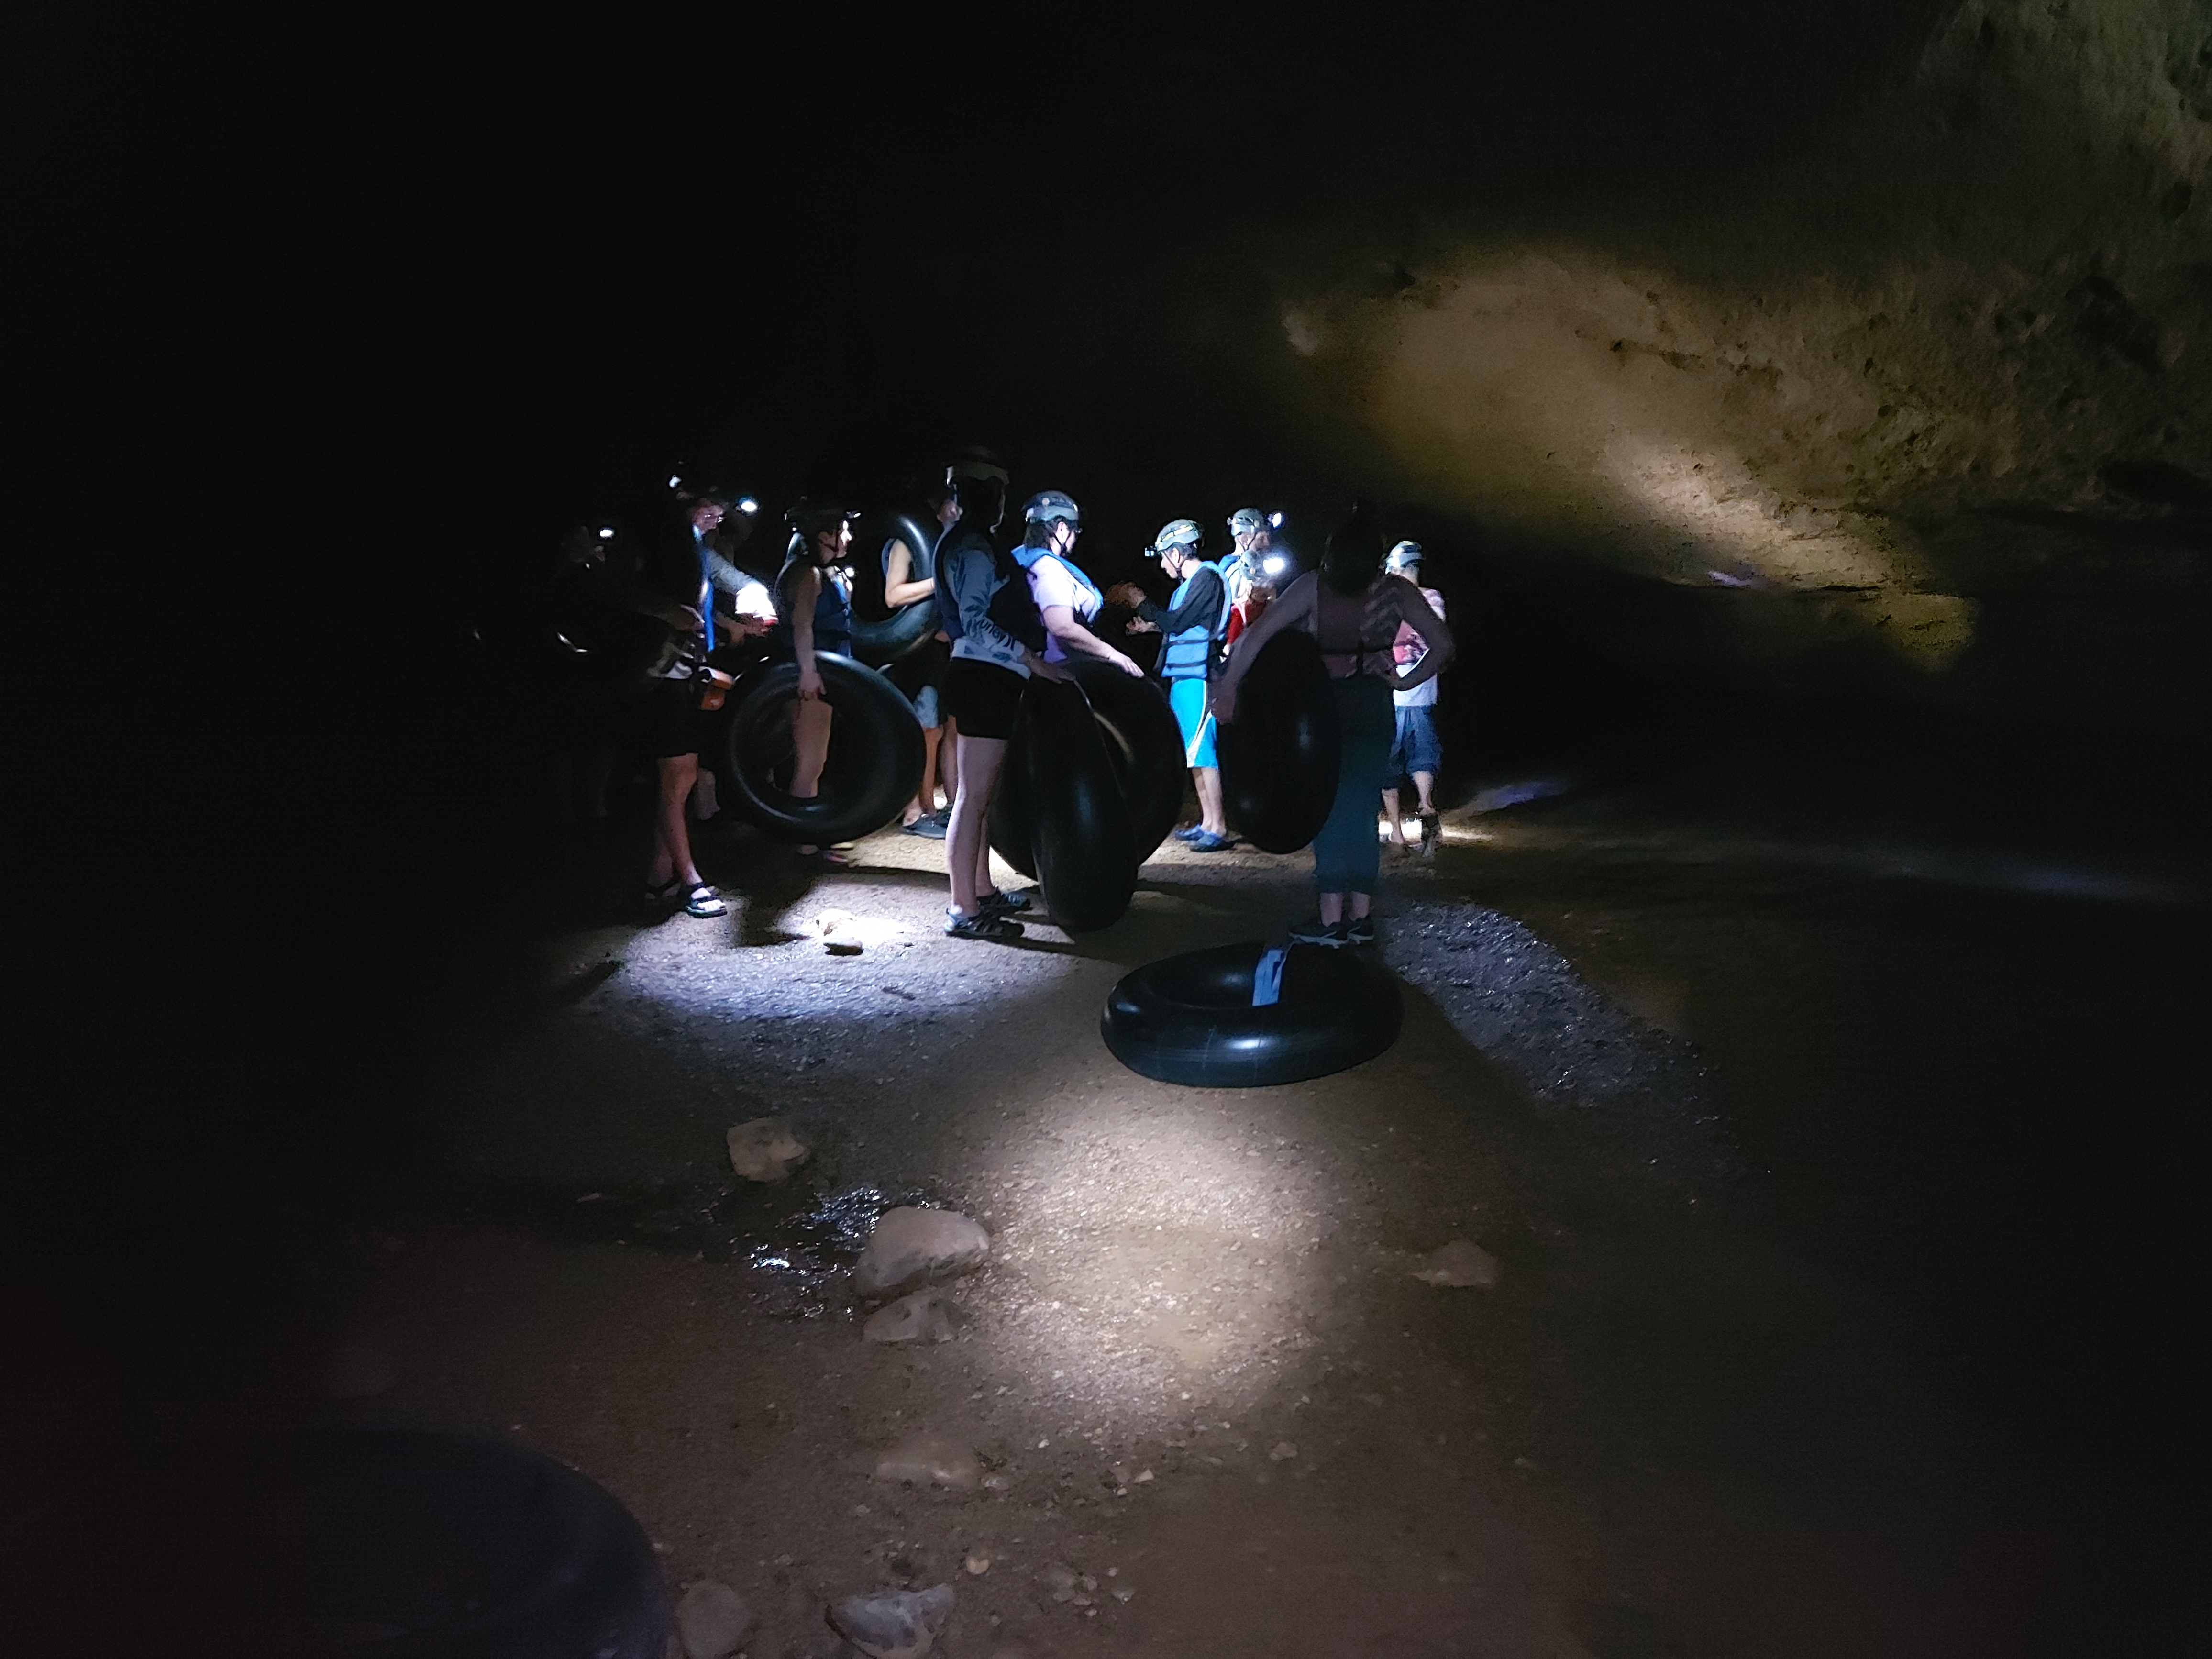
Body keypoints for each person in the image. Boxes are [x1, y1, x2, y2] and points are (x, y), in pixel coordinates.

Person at [1213, 502, 1453, 947]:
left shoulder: (1313, 588)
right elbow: (1442, 646)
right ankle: (1360, 919)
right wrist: (1403, 680)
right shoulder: (1395, 593)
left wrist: (1229, 688)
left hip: (1325, 707)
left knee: (1326, 805)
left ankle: (1329, 922)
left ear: (1333, 551)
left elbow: (1255, 637)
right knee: (1363, 809)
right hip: (1375, 702)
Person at [933, 473, 1069, 940]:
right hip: (983, 678)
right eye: (1000, 499)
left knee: (979, 798)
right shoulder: (972, 548)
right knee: (971, 801)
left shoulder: (976, 543)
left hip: (989, 677)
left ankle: (980, 890)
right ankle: (964, 910)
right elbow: (972, 620)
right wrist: (1029, 657)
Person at [1109, 518, 1234, 850]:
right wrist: (1151, 627)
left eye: (1165, 556)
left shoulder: (1206, 578)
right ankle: (1208, 822)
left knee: (1202, 751)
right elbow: (1177, 625)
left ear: (1179, 553)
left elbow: (1177, 622)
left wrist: (1139, 601)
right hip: (1184, 676)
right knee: (1192, 753)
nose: (1163, 564)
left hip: (1200, 677)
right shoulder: (1189, 585)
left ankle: (1218, 826)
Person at [773, 501, 856, 864]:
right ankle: (804, 845)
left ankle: (813, 837)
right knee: (810, 762)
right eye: (844, 529)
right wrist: (808, 673)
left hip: (824, 672)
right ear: (826, 536)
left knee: (816, 761)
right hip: (811, 676)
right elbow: (802, 625)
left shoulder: (823, 572)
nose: (850, 536)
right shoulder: (807, 575)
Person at [884, 482, 962, 836]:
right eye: (954, 503)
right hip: (917, 649)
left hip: (947, 648)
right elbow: (893, 595)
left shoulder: (951, 543)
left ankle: (951, 805)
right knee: (927, 730)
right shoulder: (908, 540)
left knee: (950, 729)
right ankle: (919, 811)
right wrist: (939, 583)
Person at [1015, 491, 1144, 678]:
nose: (1076, 538)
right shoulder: (1050, 568)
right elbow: (1061, 626)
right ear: (1061, 528)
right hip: (1061, 669)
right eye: (1075, 531)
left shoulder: (1018, 561)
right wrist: (1112, 654)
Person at [1380, 541, 1446, 849]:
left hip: (1393, 695)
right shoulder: (1434, 600)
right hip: (1423, 694)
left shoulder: (1389, 601)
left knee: (1387, 761)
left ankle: (1396, 831)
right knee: (1423, 756)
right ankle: (1426, 806)